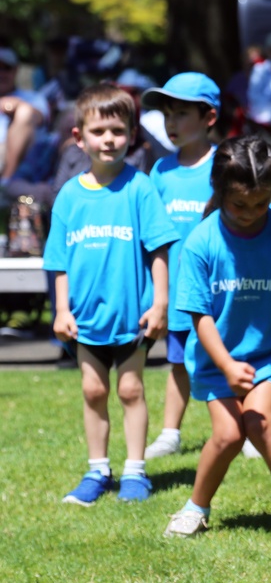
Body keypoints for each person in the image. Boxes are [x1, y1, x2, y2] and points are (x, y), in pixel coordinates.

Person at [163, 136, 271, 547]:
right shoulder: (201, 242)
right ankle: (195, 509)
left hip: (270, 357)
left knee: (258, 421)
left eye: (260, 204)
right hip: (214, 360)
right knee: (227, 435)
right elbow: (198, 317)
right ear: (219, 193)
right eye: (240, 205)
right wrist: (225, 365)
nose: (251, 214)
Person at [42, 83, 179, 505]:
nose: (109, 140)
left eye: (118, 131)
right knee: (93, 391)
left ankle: (136, 472)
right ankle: (97, 470)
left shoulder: (140, 188)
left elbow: (159, 249)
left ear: (132, 135)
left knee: (131, 390)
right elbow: (58, 261)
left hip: (132, 315)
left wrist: (160, 303)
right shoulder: (68, 195)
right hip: (84, 320)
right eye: (98, 131)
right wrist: (60, 310)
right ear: (79, 137)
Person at [139, 73, 220, 460]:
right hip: (174, 291)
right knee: (177, 361)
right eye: (167, 114)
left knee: (226, 357)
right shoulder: (160, 171)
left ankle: (249, 429)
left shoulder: (226, 165)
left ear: (210, 117)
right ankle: (170, 433)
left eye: (182, 113)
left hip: (218, 290)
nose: (171, 123)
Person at [0, 46, 50, 182]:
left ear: (16, 70)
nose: (2, 74)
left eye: (7, 68)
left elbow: (40, 119)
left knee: (25, 112)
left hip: (21, 156)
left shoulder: (33, 97)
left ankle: (5, 182)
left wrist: (17, 105)